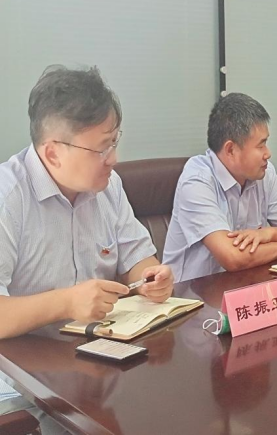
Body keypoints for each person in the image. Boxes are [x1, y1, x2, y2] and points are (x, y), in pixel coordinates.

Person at [0, 65, 174, 432]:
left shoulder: (109, 186)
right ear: (52, 153)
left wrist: (152, 277)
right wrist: (66, 303)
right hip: (26, 385)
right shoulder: (8, 199)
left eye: (114, 141)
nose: (114, 158)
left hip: (103, 369)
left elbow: (139, 259)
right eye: (101, 148)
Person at [163, 93, 277, 283]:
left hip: (243, 289)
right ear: (231, 150)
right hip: (192, 295)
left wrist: (270, 233)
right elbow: (233, 258)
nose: (268, 153)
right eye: (261, 145)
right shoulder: (197, 181)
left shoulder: (265, 174)